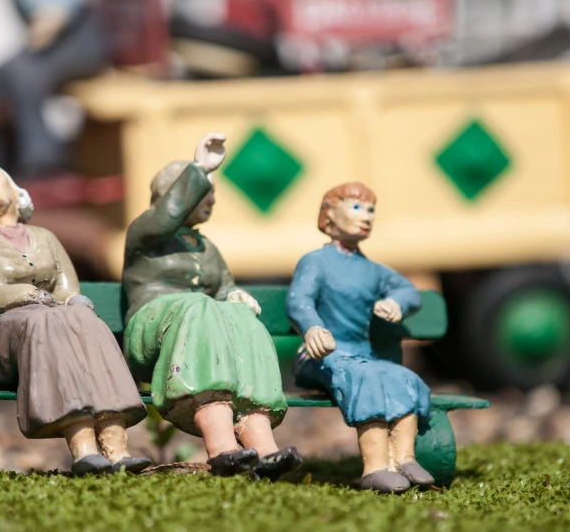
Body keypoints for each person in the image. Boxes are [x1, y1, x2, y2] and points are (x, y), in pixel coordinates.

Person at [122, 132, 301, 480]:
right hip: (151, 336)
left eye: (213, 194)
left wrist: (234, 297)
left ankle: (262, 446)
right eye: (205, 193)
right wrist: (199, 170)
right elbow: (166, 217)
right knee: (198, 306)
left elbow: (224, 288)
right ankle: (221, 447)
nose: (212, 200)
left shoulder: (207, 248)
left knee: (242, 317)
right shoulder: (146, 232)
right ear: (170, 195)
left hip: (197, 330)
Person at [0, 164, 149, 475]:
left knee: (87, 319)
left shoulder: (44, 237)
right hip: (5, 339)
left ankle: (117, 446)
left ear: (16, 193)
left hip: (53, 321)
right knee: (45, 321)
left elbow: (66, 284)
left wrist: (70, 302)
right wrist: (32, 296)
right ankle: (83, 448)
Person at [286, 182, 434, 493]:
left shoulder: (372, 270)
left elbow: (408, 291)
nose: (366, 216)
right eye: (356, 208)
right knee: (365, 376)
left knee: (402, 375)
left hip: (362, 354)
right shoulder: (316, 261)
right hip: (322, 354)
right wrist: (312, 327)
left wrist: (396, 303)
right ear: (329, 214)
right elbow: (299, 300)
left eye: (371, 210)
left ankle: (404, 458)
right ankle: (375, 467)